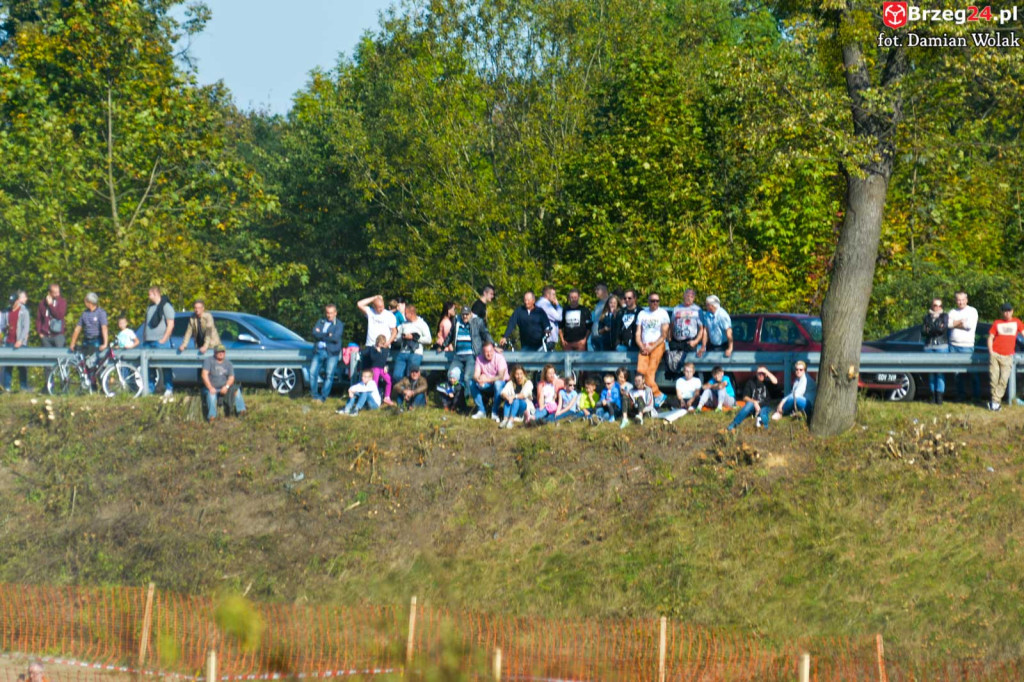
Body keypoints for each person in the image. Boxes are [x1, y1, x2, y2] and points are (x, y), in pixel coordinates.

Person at [445, 306, 494, 393]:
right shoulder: (456, 321)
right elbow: (450, 335)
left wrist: (492, 344)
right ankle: (458, 396)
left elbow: (485, 334)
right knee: (451, 375)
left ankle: (468, 397)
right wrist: (443, 345)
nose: (465, 316)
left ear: (470, 314)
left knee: (467, 377)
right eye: (463, 314)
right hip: (458, 355)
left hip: (471, 355)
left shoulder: (477, 322)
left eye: (467, 314)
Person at [987, 303, 1024, 411]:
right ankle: (995, 403)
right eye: (1005, 311)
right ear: (1002, 312)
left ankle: (994, 401)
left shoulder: (1017, 322)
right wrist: (991, 351)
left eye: (1009, 311)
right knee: (994, 379)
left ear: (1012, 311)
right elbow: (990, 337)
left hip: (1008, 356)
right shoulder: (997, 323)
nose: (1007, 313)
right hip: (995, 354)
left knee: (1003, 380)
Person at [636, 292, 670, 407]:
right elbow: (638, 333)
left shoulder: (663, 313)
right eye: (652, 301)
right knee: (641, 373)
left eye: (657, 301)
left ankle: (655, 395)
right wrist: (641, 346)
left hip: (657, 345)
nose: (655, 303)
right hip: (644, 345)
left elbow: (664, 335)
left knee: (650, 373)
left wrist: (652, 347)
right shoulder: (642, 313)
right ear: (648, 301)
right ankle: (658, 395)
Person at [143, 286, 176, 398]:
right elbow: (146, 324)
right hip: (148, 341)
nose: (148, 297)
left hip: (160, 341)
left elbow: (170, 324)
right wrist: (145, 337)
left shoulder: (166, 306)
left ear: (155, 294)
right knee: (149, 367)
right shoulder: (150, 307)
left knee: (166, 365)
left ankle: (169, 388)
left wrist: (164, 339)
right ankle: (150, 390)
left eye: (150, 294)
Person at [308, 303, 344, 403]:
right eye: (328, 313)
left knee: (329, 375)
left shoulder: (339, 324)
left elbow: (335, 338)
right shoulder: (321, 321)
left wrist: (321, 335)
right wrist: (327, 334)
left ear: (335, 313)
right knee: (312, 372)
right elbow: (314, 333)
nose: (329, 315)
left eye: (331, 313)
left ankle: (323, 397)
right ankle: (315, 396)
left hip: (332, 353)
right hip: (319, 351)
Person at [947, 290, 979, 401]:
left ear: (967, 300)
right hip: (953, 346)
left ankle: (976, 396)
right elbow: (947, 324)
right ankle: (961, 395)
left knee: (972, 373)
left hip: (967, 347)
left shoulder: (972, 311)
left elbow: (969, 326)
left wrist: (955, 324)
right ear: (956, 301)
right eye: (958, 300)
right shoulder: (952, 312)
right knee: (956, 374)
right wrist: (961, 321)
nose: (960, 302)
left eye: (962, 300)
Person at [201, 344, 246, 423]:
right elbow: (204, 375)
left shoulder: (228, 364)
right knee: (211, 396)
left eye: (223, 352)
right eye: (219, 352)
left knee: (237, 391)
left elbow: (231, 377)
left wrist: (226, 386)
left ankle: (241, 411)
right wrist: (210, 387)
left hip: (224, 387)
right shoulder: (208, 361)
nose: (221, 353)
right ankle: (212, 416)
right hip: (211, 388)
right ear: (215, 352)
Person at [728, 366, 778, 431]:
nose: (761, 375)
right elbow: (745, 397)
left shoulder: (767, 382)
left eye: (762, 373)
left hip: (765, 406)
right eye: (759, 373)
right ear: (756, 373)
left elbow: (775, 381)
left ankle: (765, 429)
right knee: (749, 404)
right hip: (753, 406)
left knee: (763, 413)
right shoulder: (750, 382)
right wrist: (754, 402)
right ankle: (734, 424)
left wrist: (766, 371)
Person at [667, 289, 704, 376]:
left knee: (689, 367)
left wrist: (695, 342)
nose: (689, 298)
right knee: (675, 366)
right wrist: (669, 338)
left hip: (689, 342)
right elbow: (671, 325)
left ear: (694, 298)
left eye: (691, 297)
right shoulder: (677, 308)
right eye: (687, 296)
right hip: (676, 342)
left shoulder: (697, 310)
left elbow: (702, 328)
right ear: (683, 296)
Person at [357, 295, 398, 368]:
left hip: (383, 346)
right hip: (370, 345)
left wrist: (388, 342)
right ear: (374, 306)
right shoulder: (370, 312)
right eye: (379, 307)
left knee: (377, 370)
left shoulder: (389, 315)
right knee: (366, 370)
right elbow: (359, 304)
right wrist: (374, 298)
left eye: (382, 306)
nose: (381, 309)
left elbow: (394, 331)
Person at [470, 342, 509, 421]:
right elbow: (475, 374)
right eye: (486, 352)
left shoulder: (500, 358)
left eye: (491, 351)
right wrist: (478, 379)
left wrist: (486, 379)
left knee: (498, 384)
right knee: (472, 383)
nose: (489, 354)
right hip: (487, 384)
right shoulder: (479, 358)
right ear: (483, 352)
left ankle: (494, 412)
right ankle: (481, 411)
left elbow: (501, 376)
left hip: (501, 384)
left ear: (493, 350)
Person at [393, 304, 431, 381]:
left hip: (415, 353)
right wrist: (402, 337)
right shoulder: (404, 324)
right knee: (397, 375)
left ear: (412, 313)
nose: (404, 315)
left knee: (411, 376)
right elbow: (397, 339)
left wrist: (414, 337)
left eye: (406, 313)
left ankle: (411, 391)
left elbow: (428, 339)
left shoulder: (421, 324)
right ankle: (402, 391)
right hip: (403, 352)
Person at [1, 290, 30, 392]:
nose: (12, 304)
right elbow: (2, 326)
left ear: (18, 301)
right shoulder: (6, 312)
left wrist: (21, 341)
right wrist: (5, 329)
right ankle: (6, 387)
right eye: (10, 302)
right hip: (8, 341)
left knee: (22, 366)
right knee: (8, 366)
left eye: (13, 302)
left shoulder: (24, 312)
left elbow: (26, 328)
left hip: (19, 342)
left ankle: (24, 386)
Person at [921, 298, 949, 405]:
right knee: (931, 373)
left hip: (941, 346)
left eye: (939, 305)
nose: (937, 308)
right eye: (935, 305)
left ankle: (940, 397)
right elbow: (923, 331)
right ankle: (932, 397)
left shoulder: (944, 316)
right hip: (929, 346)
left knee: (940, 372)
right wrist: (935, 328)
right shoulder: (926, 317)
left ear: (942, 307)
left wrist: (931, 328)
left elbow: (942, 329)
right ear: (931, 306)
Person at [68, 292, 109, 361]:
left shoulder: (100, 312)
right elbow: (77, 329)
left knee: (95, 362)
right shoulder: (84, 314)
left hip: (97, 340)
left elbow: (104, 328)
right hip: (86, 340)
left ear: (89, 302)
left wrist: (105, 343)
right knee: (86, 362)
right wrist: (72, 343)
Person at [498, 364, 533, 428]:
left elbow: (524, 395)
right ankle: (505, 420)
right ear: (514, 375)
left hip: (524, 407)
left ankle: (511, 421)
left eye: (521, 374)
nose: (519, 376)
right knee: (507, 400)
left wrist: (513, 397)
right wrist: (508, 397)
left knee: (516, 400)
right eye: (517, 374)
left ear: (524, 374)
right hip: (512, 406)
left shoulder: (528, 383)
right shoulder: (511, 383)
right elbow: (503, 392)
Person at [36, 283, 67, 348]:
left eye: (58, 292)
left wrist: (50, 305)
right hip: (45, 336)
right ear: (49, 292)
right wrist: (40, 333)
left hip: (58, 335)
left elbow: (59, 316)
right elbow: (39, 319)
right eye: (55, 293)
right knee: (47, 356)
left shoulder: (62, 302)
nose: (57, 294)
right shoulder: (42, 303)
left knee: (58, 356)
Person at [366, 334, 394, 405]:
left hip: (382, 367)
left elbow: (383, 359)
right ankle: (374, 397)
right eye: (381, 343)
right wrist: (377, 351)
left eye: (383, 343)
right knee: (375, 382)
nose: (382, 345)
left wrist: (385, 366)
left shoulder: (385, 350)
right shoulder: (372, 349)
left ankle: (387, 396)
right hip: (375, 367)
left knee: (388, 380)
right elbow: (373, 358)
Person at [588, 284, 610, 351]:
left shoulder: (610, 302)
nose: (596, 291)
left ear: (604, 291)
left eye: (598, 289)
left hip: (603, 336)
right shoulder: (599, 303)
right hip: (595, 336)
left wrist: (604, 329)